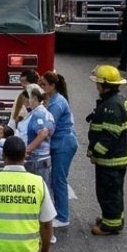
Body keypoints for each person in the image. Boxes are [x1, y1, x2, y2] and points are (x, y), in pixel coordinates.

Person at [86, 65, 127, 236]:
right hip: (117, 157)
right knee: (114, 190)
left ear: (104, 85)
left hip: (110, 159)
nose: (96, 86)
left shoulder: (111, 106)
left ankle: (110, 225)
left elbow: (109, 136)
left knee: (108, 191)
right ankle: (112, 218)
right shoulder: (117, 100)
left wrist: (95, 153)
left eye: (98, 83)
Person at [40, 71, 77, 227]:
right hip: (60, 143)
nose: (41, 87)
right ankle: (58, 211)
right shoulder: (51, 100)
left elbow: (48, 126)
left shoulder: (57, 103)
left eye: (43, 85)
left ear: (52, 86)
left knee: (58, 180)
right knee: (56, 179)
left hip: (63, 144)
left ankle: (62, 217)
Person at [18, 85, 54, 192]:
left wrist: (27, 150)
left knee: (38, 193)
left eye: (28, 98)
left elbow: (43, 133)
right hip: (36, 160)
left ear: (34, 98)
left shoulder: (39, 114)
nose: (26, 102)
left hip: (37, 161)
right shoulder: (36, 112)